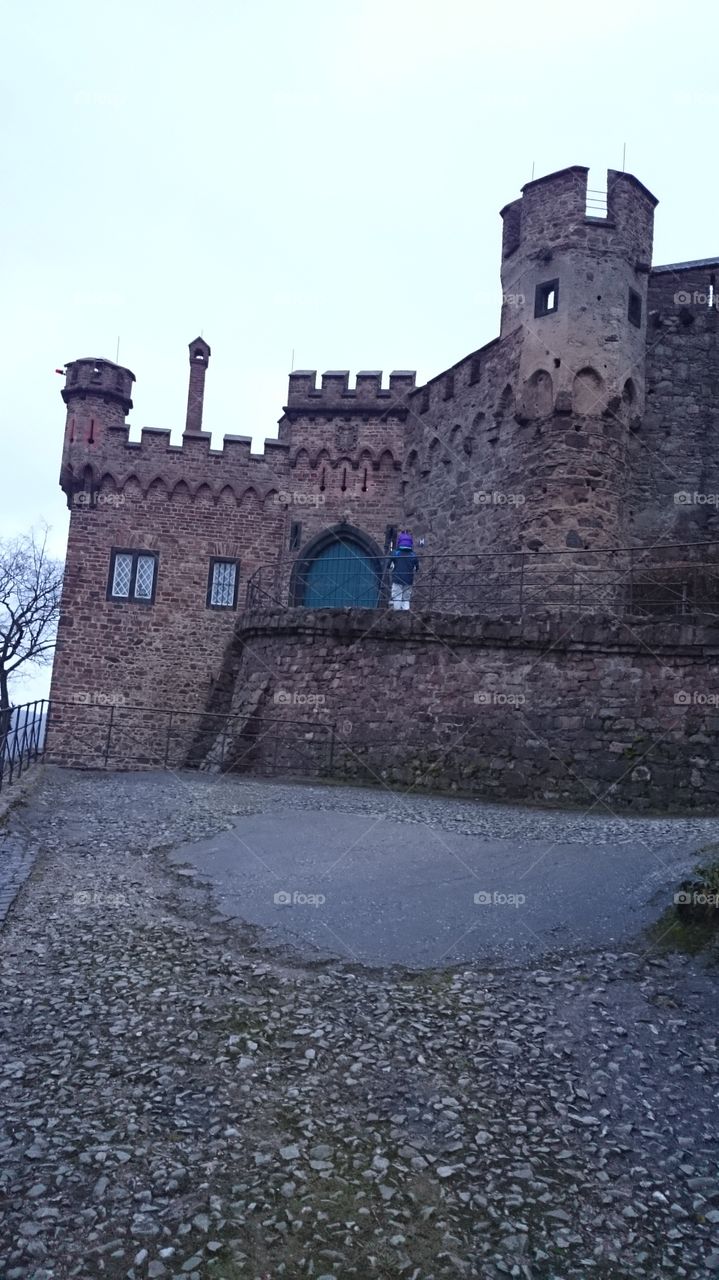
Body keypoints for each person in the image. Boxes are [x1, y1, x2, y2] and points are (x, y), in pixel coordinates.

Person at [389, 531, 420, 610]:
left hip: (397, 579)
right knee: (406, 599)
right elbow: (417, 568)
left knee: (397, 597)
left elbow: (388, 565)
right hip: (408, 580)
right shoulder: (413, 555)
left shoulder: (395, 554)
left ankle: (397, 615)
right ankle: (406, 615)